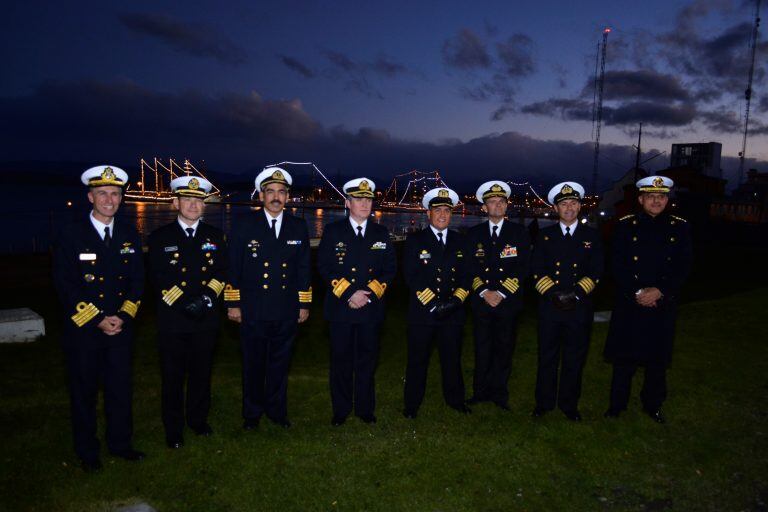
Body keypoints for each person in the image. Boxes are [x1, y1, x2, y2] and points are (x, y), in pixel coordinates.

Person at [52, 165, 145, 472]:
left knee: (120, 389)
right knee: (84, 392)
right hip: (85, 330)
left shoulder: (130, 234)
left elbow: (137, 281)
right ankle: (87, 450)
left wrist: (122, 317)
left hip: (120, 328)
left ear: (122, 199)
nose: (109, 199)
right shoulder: (71, 235)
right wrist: (97, 319)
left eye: (115, 194)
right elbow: (66, 284)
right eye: (103, 193)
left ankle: (120, 445)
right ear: (90, 197)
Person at [226, 167, 311, 429]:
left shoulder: (298, 226)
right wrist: (233, 303)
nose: (276, 196)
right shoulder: (244, 224)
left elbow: (303, 268)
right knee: (253, 365)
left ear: (287, 196)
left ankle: (276, 411)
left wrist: (304, 304)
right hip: (253, 308)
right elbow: (233, 266)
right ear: (261, 195)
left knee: (279, 364)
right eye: (270, 191)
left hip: (286, 308)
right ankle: (252, 414)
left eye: (281, 192)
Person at [604, 176, 692, 424]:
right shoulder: (624, 225)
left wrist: (660, 291)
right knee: (624, 360)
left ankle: (653, 405)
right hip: (630, 301)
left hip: (661, 303)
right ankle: (616, 406)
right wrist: (637, 292)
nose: (656, 201)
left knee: (657, 360)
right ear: (641, 199)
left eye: (661, 197)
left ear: (667, 200)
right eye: (651, 197)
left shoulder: (680, 227)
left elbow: (683, 266)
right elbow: (617, 264)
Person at [148, 176, 227, 448]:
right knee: (172, 376)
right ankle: (173, 428)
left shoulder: (215, 237)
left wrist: (205, 299)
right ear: (175, 202)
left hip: (205, 317)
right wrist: (183, 303)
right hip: (174, 318)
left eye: (198, 200)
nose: (193, 205)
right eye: (188, 199)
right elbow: (158, 276)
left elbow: (221, 272)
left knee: (201, 373)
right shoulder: (160, 238)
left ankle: (197, 420)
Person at [317, 178, 397, 426]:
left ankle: (365, 409)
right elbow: (324, 266)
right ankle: (341, 410)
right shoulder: (333, 231)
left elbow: (390, 269)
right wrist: (350, 292)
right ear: (347, 202)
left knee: (367, 361)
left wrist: (367, 294)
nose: (365, 203)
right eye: (359, 199)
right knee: (340, 361)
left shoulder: (381, 233)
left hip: (370, 309)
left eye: (368, 199)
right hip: (341, 308)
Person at [530, 182, 604, 421]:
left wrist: (576, 294)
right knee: (547, 358)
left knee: (574, 359)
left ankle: (569, 405)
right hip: (550, 307)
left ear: (580, 206)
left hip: (578, 308)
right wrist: (553, 294)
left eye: (573, 203)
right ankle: (544, 403)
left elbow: (596, 271)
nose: (569, 207)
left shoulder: (592, 237)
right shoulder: (544, 236)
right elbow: (537, 269)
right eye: (564, 204)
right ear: (556, 208)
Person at [402, 187, 471, 418]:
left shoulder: (461, 241)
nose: (442, 215)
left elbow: (466, 276)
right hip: (423, 313)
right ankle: (412, 405)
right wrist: (433, 304)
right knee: (417, 362)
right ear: (428, 214)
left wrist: (454, 302)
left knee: (452, 360)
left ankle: (456, 401)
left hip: (452, 313)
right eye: (437, 210)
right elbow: (411, 275)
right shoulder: (414, 241)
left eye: (446, 210)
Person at [465, 181, 530, 411]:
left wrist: (501, 292)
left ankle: (500, 394)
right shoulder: (473, 234)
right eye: (492, 202)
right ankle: (480, 391)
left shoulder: (519, 233)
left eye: (501, 202)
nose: (497, 205)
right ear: (484, 207)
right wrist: (484, 291)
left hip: (507, 301)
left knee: (504, 348)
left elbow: (523, 267)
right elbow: (469, 267)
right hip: (482, 301)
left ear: (507, 205)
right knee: (482, 348)